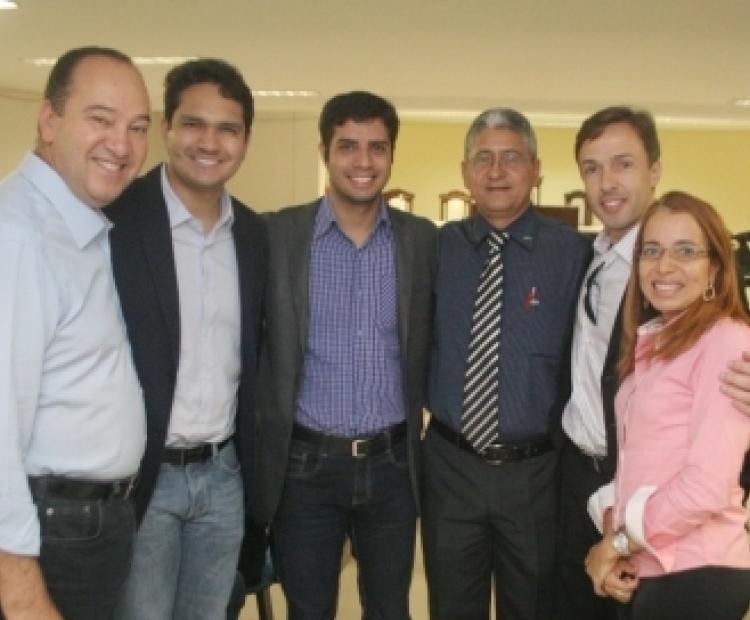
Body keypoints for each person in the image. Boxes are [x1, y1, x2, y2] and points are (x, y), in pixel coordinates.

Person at [556, 106, 750, 620]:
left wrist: (616, 541)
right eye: (592, 168)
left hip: (692, 558)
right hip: (607, 504)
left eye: (623, 163)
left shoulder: (723, 335)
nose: (607, 182)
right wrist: (612, 533)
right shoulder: (592, 263)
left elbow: (708, 479)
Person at [255, 91, 437, 619]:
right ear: (324, 152)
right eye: (348, 146)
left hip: (393, 465)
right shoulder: (277, 236)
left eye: (377, 147)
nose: (363, 161)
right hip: (305, 467)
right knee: (308, 610)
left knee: (390, 609)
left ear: (391, 155)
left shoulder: (421, 241)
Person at [106, 59, 267, 620]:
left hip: (224, 478)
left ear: (245, 140)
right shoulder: (115, 222)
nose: (209, 143)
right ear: (166, 128)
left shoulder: (253, 235)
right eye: (194, 124)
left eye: (228, 129)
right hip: (144, 479)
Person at [422, 107, 590, 620]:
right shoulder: (436, 249)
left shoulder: (574, 254)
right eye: (483, 159)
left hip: (535, 475)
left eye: (511, 158)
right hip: (451, 468)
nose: (496, 171)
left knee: (534, 608)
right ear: (465, 171)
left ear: (535, 170)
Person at [0, 46, 150, 620]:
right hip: (52, 531)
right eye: (101, 119)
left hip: (88, 525)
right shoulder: (20, 235)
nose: (122, 145)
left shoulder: (77, 225)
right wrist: (20, 593)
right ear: (49, 120)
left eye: (137, 128)